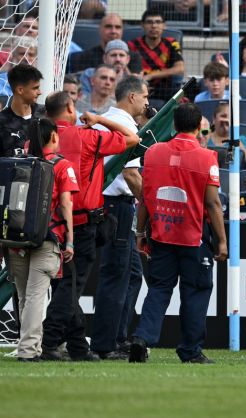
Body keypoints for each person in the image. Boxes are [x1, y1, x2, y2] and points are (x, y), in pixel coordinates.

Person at [40, 91, 140, 362]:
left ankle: (76, 346)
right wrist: (99, 119)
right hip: (81, 222)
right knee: (69, 287)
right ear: (71, 107)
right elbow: (133, 138)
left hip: (43, 222)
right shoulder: (86, 136)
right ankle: (48, 341)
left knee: (66, 285)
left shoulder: (37, 138)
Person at [129, 103, 228, 364]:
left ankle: (142, 337)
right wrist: (222, 241)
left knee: (159, 289)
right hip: (193, 237)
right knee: (195, 291)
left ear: (173, 125)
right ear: (198, 128)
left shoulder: (153, 153)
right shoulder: (207, 158)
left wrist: (140, 231)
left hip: (161, 233)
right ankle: (190, 351)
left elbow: (145, 198)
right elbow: (212, 204)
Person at [7, 118, 78, 362]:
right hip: (48, 238)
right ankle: (28, 351)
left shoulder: (17, 163)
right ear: (54, 137)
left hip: (15, 240)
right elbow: (66, 204)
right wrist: (70, 241)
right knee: (37, 296)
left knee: (24, 295)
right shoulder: (61, 166)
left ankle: (29, 346)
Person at [90, 76, 150, 360]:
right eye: (145, 96)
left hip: (107, 204)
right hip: (118, 206)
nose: (148, 102)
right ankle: (105, 344)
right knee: (115, 274)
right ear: (132, 97)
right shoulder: (124, 126)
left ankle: (117, 335)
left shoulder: (104, 119)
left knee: (132, 273)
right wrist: (151, 207)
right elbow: (130, 174)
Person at [127, 9, 185, 101]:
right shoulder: (132, 45)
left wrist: (151, 76)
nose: (154, 26)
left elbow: (180, 69)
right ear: (142, 25)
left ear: (164, 25)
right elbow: (126, 68)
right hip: (137, 89)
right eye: (149, 22)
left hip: (164, 89)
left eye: (158, 22)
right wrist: (140, 84)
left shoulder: (171, 43)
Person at [69, 13, 142, 73]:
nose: (113, 31)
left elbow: (136, 85)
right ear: (100, 29)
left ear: (122, 31)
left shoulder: (134, 58)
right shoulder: (83, 57)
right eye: (108, 27)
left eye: (117, 27)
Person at [0, 64, 44, 157]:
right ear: (20, 90)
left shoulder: (45, 114)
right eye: (35, 88)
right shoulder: (2, 122)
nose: (40, 92)